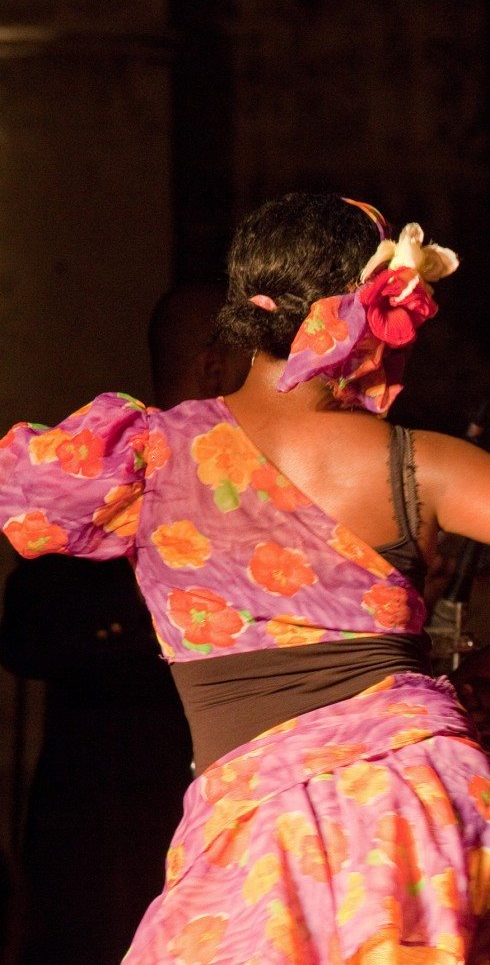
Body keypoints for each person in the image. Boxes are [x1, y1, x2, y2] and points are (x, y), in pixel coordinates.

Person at [0, 194, 490, 963]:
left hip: (270, 831)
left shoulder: (146, 454)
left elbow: (24, 497)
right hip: (421, 806)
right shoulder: (413, 461)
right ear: (366, 313)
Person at [0, 281, 245, 964]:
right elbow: (27, 630)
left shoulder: (267, 477)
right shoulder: (114, 468)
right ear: (215, 365)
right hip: (119, 810)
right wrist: (172, 614)